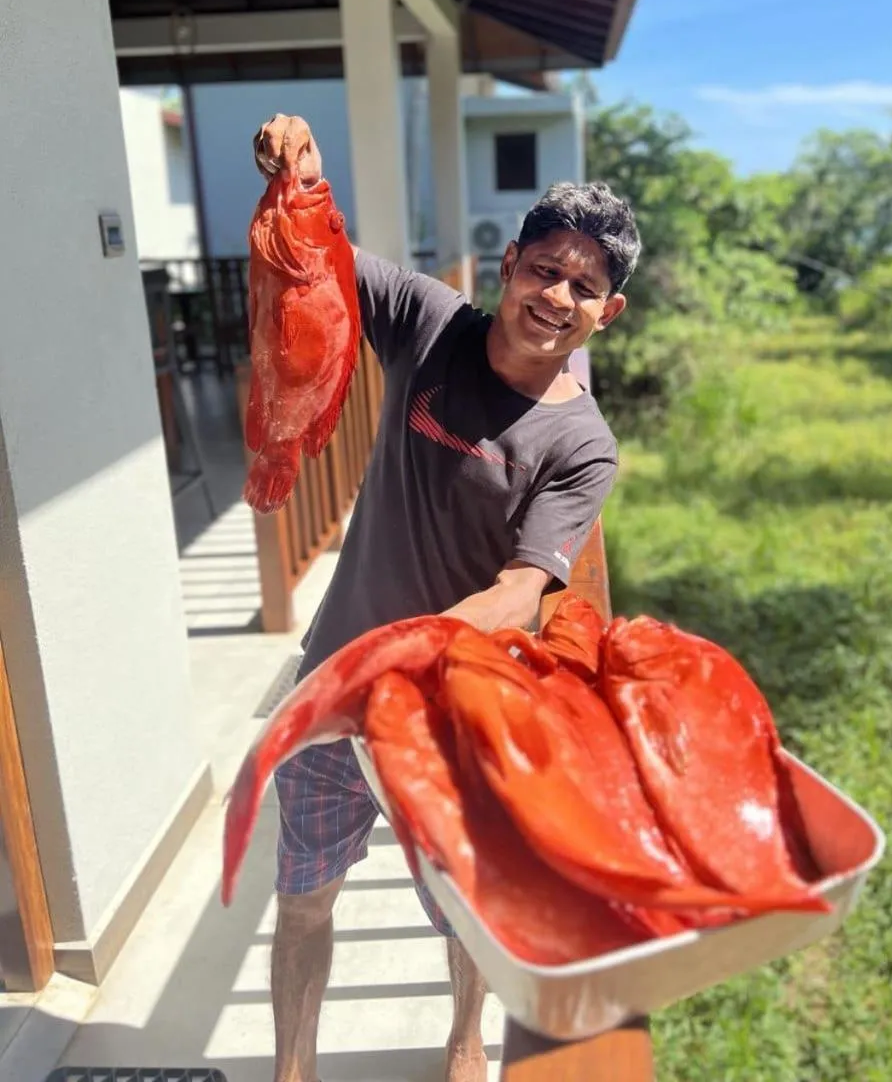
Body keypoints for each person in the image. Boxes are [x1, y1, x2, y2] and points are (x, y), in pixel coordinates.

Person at [252, 114, 640, 1082]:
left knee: (466, 907)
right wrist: (302, 172)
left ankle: (464, 1042)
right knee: (304, 898)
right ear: (506, 265)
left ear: (609, 311)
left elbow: (521, 589)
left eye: (583, 286)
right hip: (331, 696)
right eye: (544, 268)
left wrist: (397, 654)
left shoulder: (581, 444)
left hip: (454, 712)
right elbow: (320, 257)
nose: (557, 295)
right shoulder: (431, 322)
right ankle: (290, 1068)